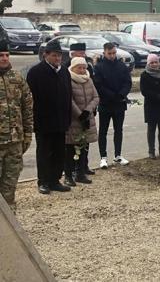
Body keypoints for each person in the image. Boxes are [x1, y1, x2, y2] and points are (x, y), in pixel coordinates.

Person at [27, 40, 72, 194]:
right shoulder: (36, 72)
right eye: (54, 55)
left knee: (60, 152)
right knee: (44, 152)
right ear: (46, 55)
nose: (57, 59)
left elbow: (68, 95)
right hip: (44, 121)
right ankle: (43, 181)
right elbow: (31, 99)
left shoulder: (64, 71)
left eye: (59, 56)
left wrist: (67, 117)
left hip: (61, 121)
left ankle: (55, 180)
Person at [0, 41, 33, 210]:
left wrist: (27, 135)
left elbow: (27, 107)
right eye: (1, 55)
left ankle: (9, 231)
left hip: (14, 142)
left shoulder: (17, 78)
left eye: (7, 55)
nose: (5, 58)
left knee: (10, 187)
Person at [94, 42, 132, 169]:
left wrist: (121, 94)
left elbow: (127, 82)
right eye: (109, 53)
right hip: (105, 103)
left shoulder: (122, 66)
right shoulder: (99, 67)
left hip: (119, 104)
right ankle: (103, 157)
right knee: (103, 131)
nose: (112, 55)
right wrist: (111, 95)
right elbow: (98, 85)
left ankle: (118, 155)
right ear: (104, 52)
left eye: (114, 53)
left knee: (118, 130)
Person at [64, 57, 99, 186]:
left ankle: (80, 173)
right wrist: (80, 114)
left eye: (84, 67)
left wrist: (87, 111)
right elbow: (69, 100)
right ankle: (68, 174)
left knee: (84, 146)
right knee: (70, 149)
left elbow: (96, 97)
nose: (82, 70)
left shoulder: (89, 80)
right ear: (73, 68)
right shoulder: (69, 80)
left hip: (87, 118)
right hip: (74, 120)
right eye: (79, 67)